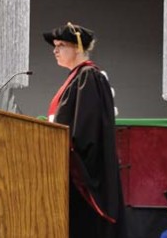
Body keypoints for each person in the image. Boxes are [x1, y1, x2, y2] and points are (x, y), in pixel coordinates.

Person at [43, 22, 127, 238]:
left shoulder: (89, 77)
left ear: (78, 46)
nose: (55, 50)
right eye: (55, 45)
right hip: (69, 169)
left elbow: (85, 131)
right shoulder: (76, 78)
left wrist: (64, 154)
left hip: (81, 176)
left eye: (61, 45)